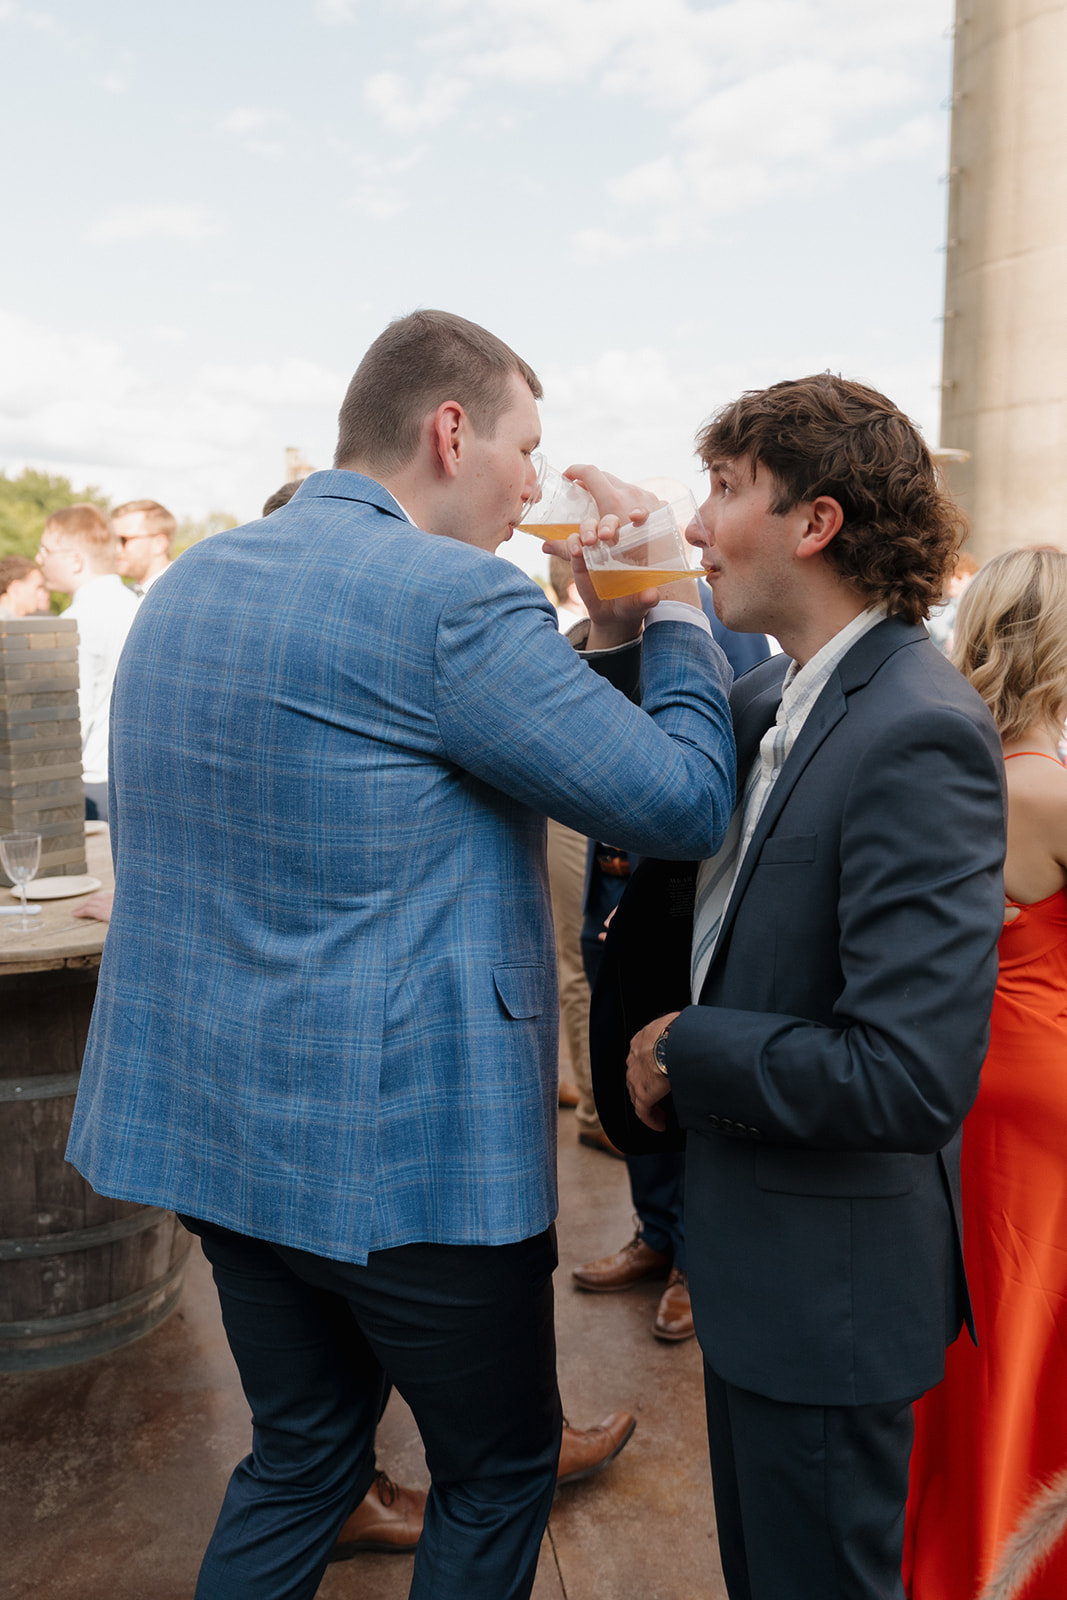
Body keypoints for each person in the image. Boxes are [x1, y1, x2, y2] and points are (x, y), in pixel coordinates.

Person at [66, 309, 735, 1600]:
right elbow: (681, 803)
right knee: (496, 1471)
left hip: (220, 1137)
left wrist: (594, 642)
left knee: (302, 1457)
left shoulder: (191, 582)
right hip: (406, 1161)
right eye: (525, 449)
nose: (536, 485)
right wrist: (665, 607)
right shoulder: (451, 599)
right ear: (449, 431)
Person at [590, 373, 1006, 1600]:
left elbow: (908, 1073)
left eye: (722, 490)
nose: (697, 522)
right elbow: (639, 775)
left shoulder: (915, 727)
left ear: (814, 522)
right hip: (758, 1263)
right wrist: (621, 616)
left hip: (826, 1293)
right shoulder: (775, 692)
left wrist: (686, 1047)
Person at [903, 547, 1067, 1600]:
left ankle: (954, 1558)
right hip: (1049, 1088)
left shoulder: (954, 775)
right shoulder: (1051, 789)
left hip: (969, 1088)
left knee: (978, 1345)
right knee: (1037, 1347)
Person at [36, 503, 138, 821]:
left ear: (75, 560)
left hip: (91, 787)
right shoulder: (139, 606)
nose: (39, 559)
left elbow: (67, 717)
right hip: (131, 779)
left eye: (45, 550)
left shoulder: (74, 622)